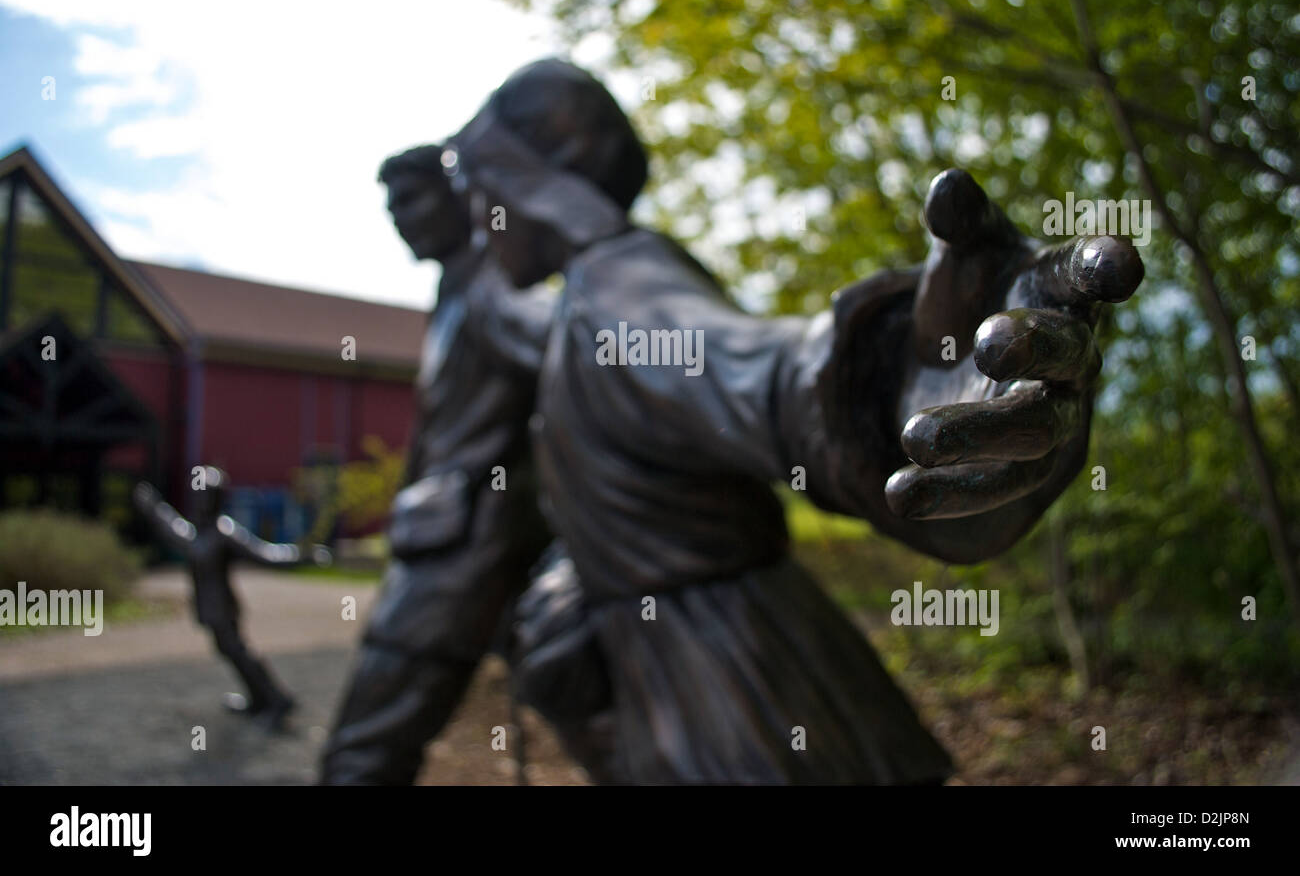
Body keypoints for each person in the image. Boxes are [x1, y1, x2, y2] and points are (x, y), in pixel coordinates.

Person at [444, 58, 1145, 783]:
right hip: (714, 679)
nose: (477, 219)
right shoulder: (584, 302)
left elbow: (763, 378)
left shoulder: (617, 293)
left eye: (479, 189)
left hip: (739, 699)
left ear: (529, 183)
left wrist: (896, 387)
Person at [319, 144, 616, 785]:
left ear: (460, 199)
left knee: (364, 744)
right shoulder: (453, 290)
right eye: (394, 208)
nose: (404, 219)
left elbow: (576, 349)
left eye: (417, 200)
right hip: (468, 532)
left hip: (467, 541)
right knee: (583, 703)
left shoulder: (487, 287)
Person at [133, 469, 328, 731]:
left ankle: (277, 699)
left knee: (238, 651)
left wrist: (304, 555)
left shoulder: (224, 532)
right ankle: (259, 699)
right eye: (200, 495)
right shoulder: (199, 533)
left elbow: (265, 554)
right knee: (230, 651)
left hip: (223, 608)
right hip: (209, 608)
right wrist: (154, 507)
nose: (202, 502)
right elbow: (175, 532)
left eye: (208, 496)